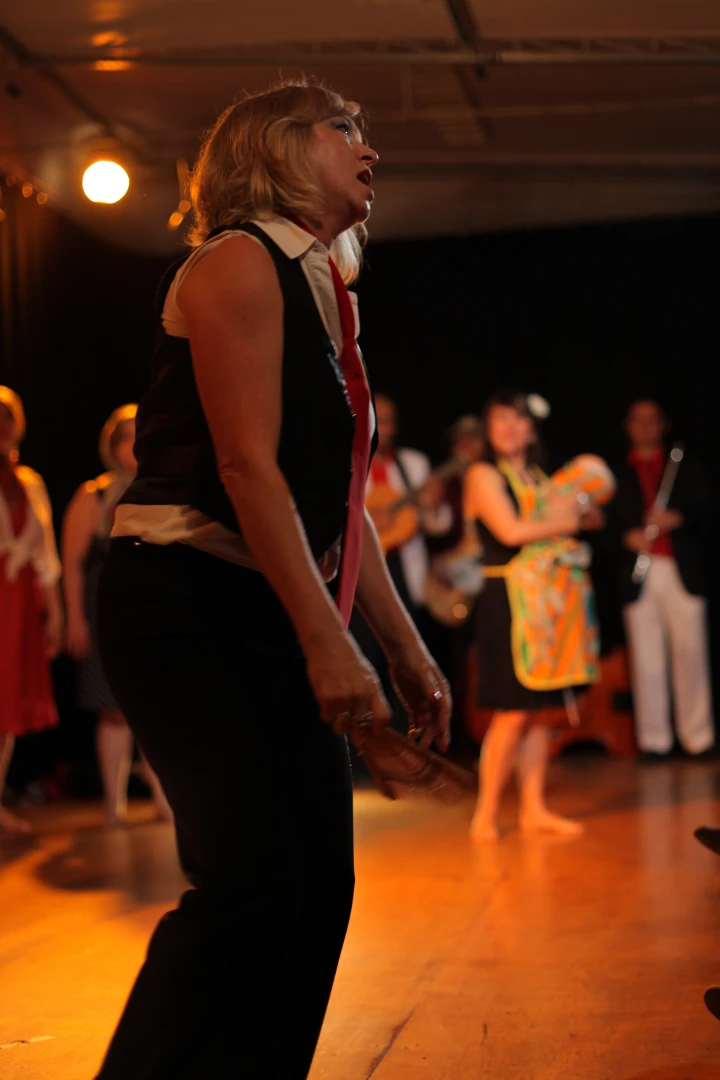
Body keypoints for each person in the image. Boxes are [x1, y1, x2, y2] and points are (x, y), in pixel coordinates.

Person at [93, 81, 450, 1080]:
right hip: (181, 600)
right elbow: (248, 470)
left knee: (319, 888)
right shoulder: (239, 262)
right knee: (248, 885)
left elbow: (339, 501)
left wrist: (405, 648)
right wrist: (329, 641)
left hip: (261, 601)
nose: (369, 150)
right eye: (346, 129)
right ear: (277, 146)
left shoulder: (325, 289)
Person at [463, 389, 600, 842]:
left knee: (541, 713)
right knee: (512, 712)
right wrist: (569, 522)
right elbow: (510, 530)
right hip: (507, 600)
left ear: (531, 428)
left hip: (544, 606)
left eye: (517, 418)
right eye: (499, 418)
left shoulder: (540, 477)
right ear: (488, 428)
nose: (508, 427)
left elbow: (585, 509)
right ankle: (485, 813)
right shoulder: (483, 474)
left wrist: (585, 508)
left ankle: (533, 809)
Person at [62, 406, 170, 826]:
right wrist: (74, 618)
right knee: (113, 706)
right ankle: (114, 802)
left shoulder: (164, 488)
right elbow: (72, 562)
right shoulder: (95, 494)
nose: (135, 444)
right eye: (126, 437)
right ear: (112, 446)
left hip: (156, 607)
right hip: (106, 609)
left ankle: (164, 800)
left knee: (159, 706)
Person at [607, 399, 714, 758]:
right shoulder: (616, 473)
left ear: (663, 424)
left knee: (691, 656)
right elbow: (604, 528)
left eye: (652, 420)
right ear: (627, 425)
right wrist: (626, 537)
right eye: (637, 420)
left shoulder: (684, 466)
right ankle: (654, 741)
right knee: (646, 661)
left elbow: (707, 512)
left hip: (682, 572)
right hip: (637, 574)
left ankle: (698, 739)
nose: (645, 426)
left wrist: (677, 518)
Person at [0, 385, 63, 834]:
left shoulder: (30, 482)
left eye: (7, 417)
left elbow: (46, 556)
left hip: (20, 599)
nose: (1, 426)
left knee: (7, 704)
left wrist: (55, 613)